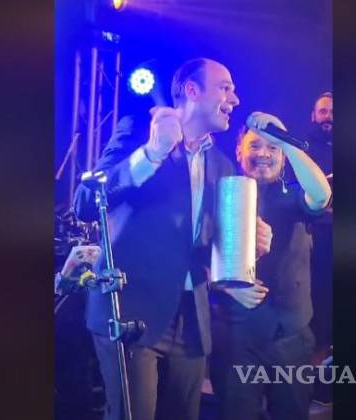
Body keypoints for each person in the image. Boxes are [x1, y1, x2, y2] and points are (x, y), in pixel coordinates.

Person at [73, 58, 272, 420]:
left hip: (191, 317)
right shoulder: (137, 131)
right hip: (131, 309)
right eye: (225, 88)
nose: (235, 99)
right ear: (192, 91)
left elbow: (205, 245)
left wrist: (249, 244)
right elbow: (85, 204)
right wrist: (152, 153)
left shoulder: (223, 165)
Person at [210, 111, 332, 420]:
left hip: (290, 335)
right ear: (239, 151)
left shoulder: (293, 195)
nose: (264, 153)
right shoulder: (220, 194)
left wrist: (286, 141)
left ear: (283, 157)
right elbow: (194, 255)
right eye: (255, 145)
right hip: (236, 335)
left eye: (273, 147)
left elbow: (321, 195)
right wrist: (223, 283)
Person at [305, 91, 333, 359]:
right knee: (319, 291)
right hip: (317, 232)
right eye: (323, 111)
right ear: (313, 116)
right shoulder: (303, 149)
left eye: (333, 112)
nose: (328, 116)